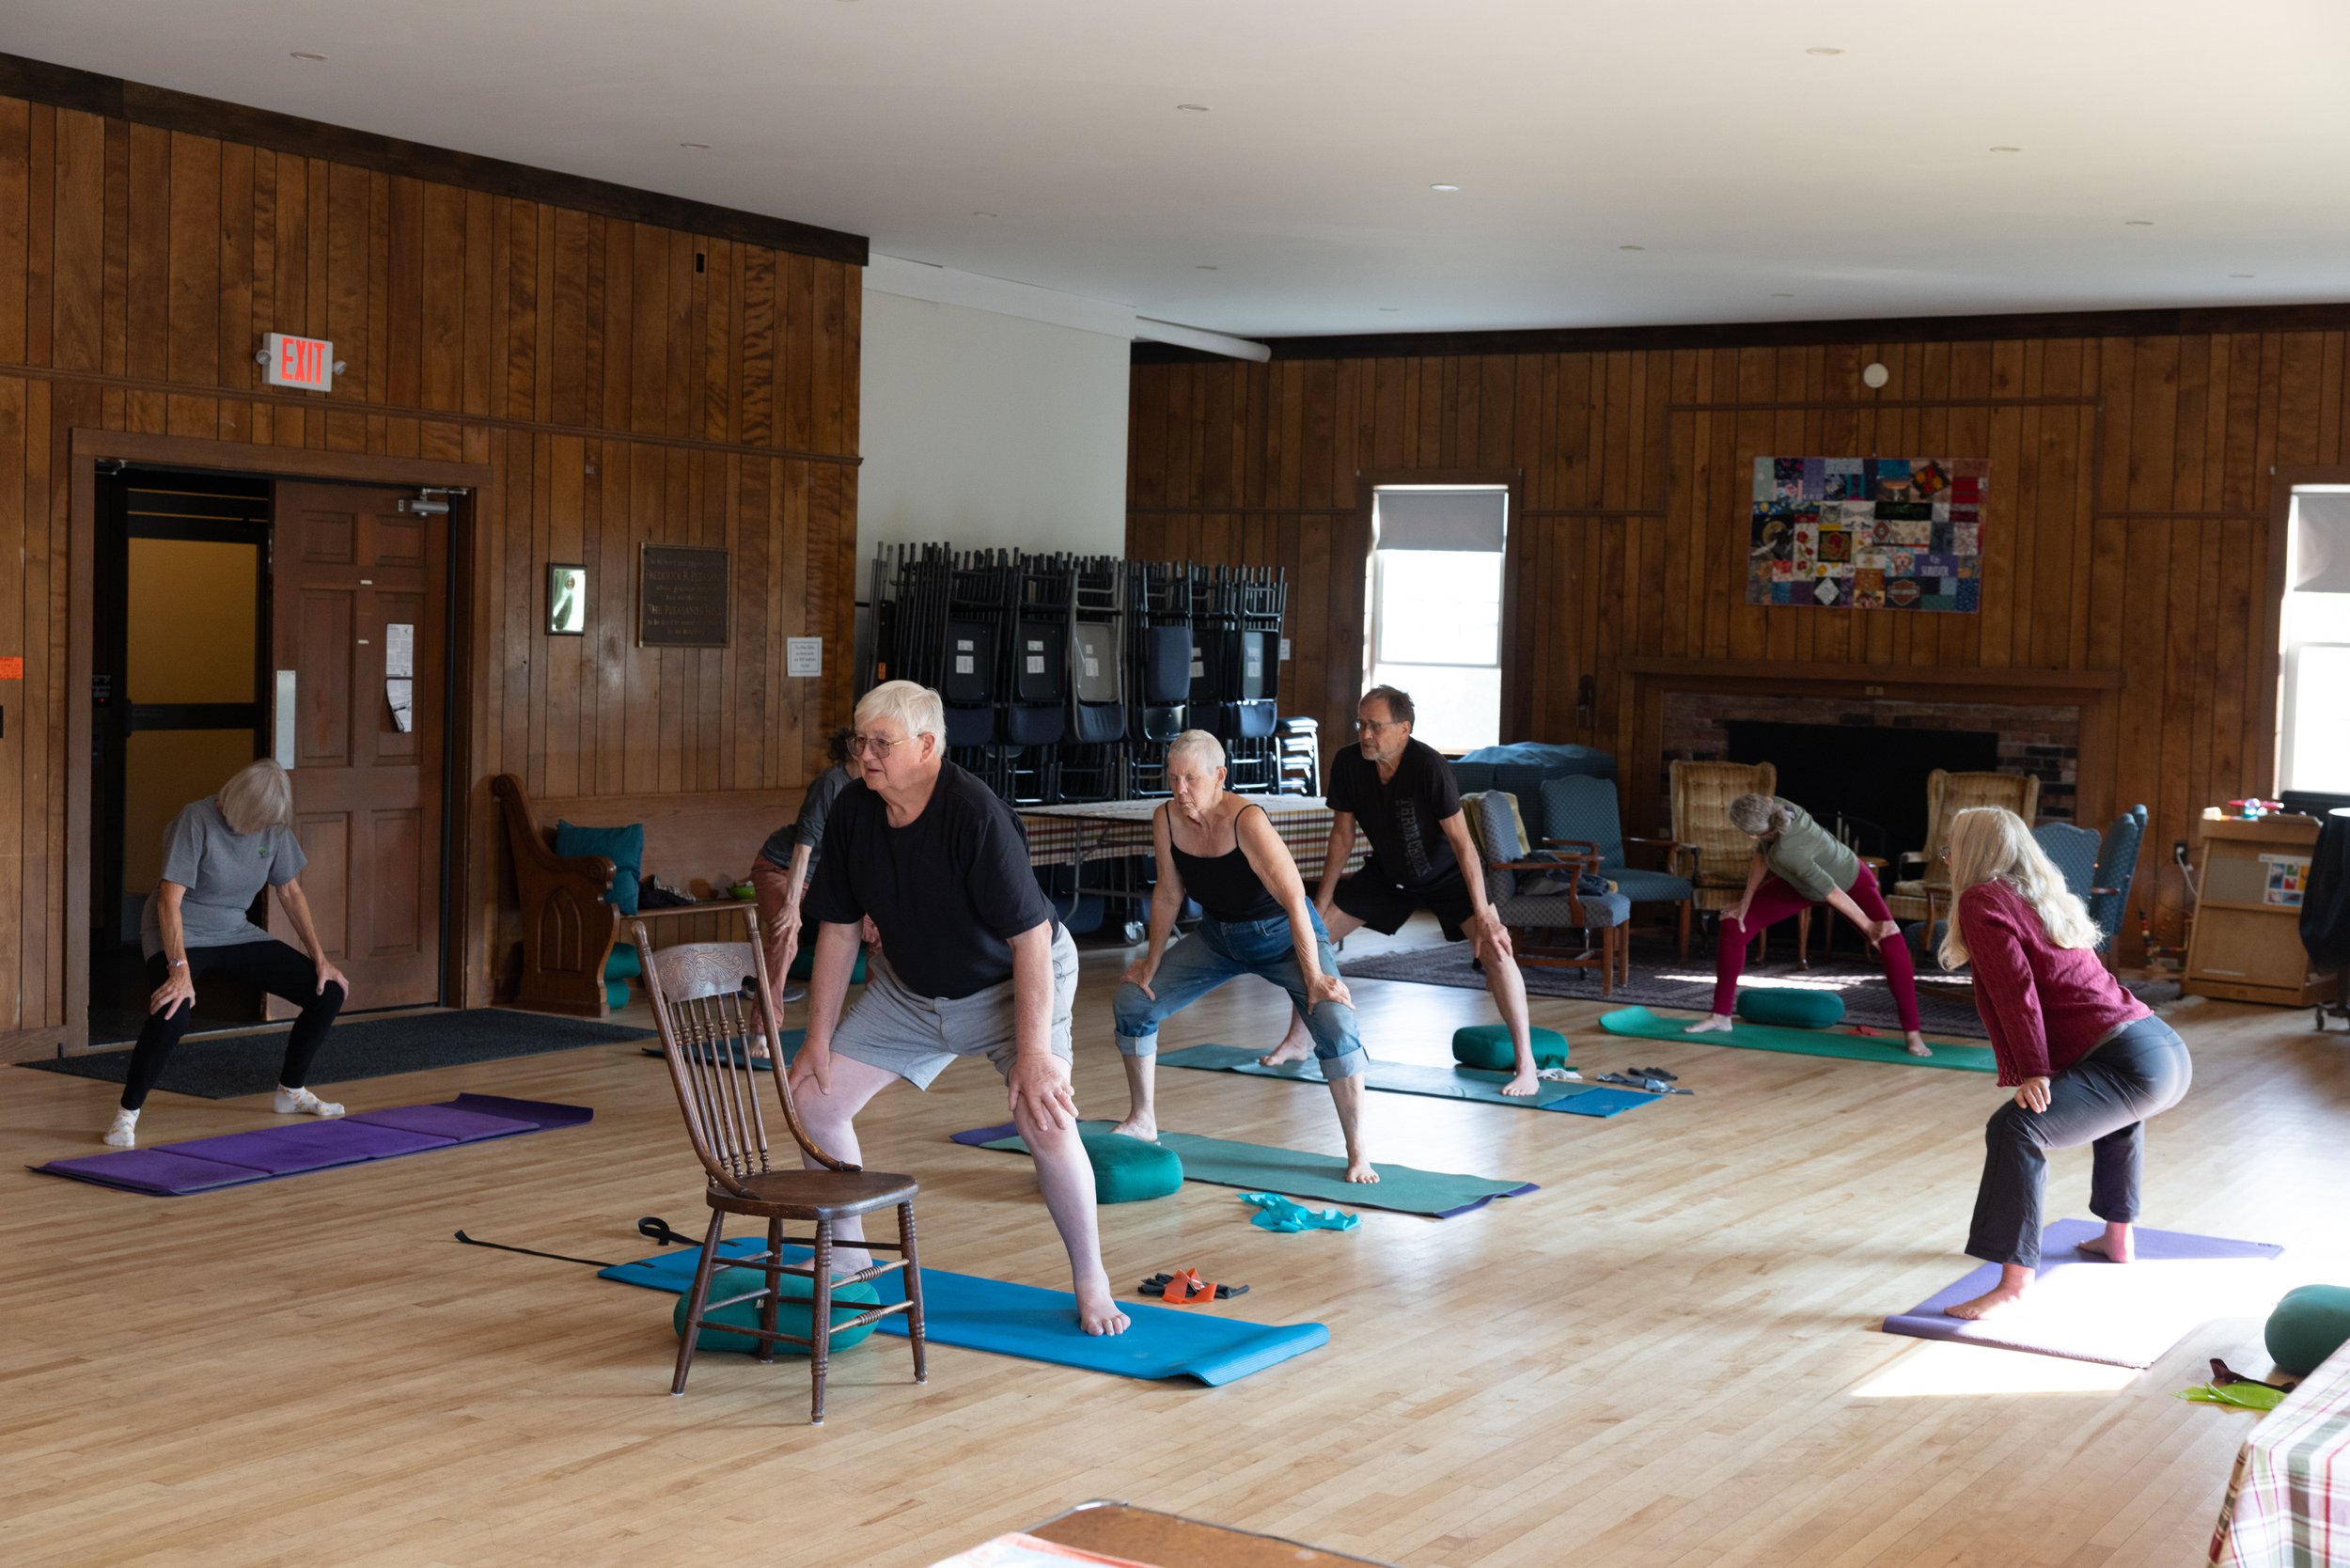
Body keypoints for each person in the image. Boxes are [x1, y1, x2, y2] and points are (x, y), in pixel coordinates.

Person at [788, 681, 1129, 1336]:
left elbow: (1031, 940)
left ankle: (1092, 1281)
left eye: (882, 743)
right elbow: (838, 928)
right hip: (911, 993)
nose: (866, 755)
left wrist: (1035, 1057)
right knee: (814, 1097)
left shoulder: (975, 814)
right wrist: (816, 1039)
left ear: (926, 746)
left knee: (1044, 1115)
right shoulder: (854, 809)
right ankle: (851, 1254)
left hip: (1011, 983)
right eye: (860, 741)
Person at [1936, 806, 2191, 1319]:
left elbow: (2017, 992)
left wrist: (2034, 1070)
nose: (1947, 858)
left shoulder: (1983, 899)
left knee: (2015, 1129)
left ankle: (2013, 1284)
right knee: (2118, 1117)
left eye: (1950, 848)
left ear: (1971, 852)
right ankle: (2117, 1238)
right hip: (2161, 1050)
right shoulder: (2040, 895)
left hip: (2128, 1059)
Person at [1111, 730, 1375, 1181]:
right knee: (1134, 1000)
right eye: (1172, 778)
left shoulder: (1247, 821)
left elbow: (1295, 902)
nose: (1179, 790)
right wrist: (1151, 961)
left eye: (1191, 779)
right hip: (1218, 938)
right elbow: (1169, 892)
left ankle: (1357, 1150)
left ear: (1219, 777)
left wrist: (1314, 977)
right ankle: (1142, 1118)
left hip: (1282, 937)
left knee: (1335, 1022)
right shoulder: (1166, 817)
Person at [1263, 685, 1543, 1095]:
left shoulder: (1429, 766)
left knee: (1498, 953)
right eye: (1361, 724)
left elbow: (1464, 844)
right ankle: (1298, 1040)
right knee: (1312, 939)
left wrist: (1484, 913)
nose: (1366, 734)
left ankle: (1527, 1066)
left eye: (1375, 726)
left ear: (1404, 728)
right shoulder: (1349, 763)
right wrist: (1320, 903)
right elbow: (1342, 836)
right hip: (1388, 874)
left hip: (1446, 875)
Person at [103, 760, 351, 1148]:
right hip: (179, 930)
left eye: (267, 822)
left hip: (233, 929)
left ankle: (291, 1091)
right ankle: (126, 1115)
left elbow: (289, 891)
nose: (262, 829)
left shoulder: (274, 827)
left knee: (327, 991)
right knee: (173, 1010)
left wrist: (321, 958)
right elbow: (169, 900)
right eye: (257, 820)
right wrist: (179, 969)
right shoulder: (196, 819)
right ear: (237, 804)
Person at [1683, 792, 1932, 1057]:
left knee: (1891, 943)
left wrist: (1870, 927)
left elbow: (1831, 890)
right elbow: (1762, 856)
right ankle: (1721, 1016)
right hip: (1800, 884)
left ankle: (1913, 1033)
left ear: (1751, 835)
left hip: (1849, 879)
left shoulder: (1789, 852)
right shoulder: (1776, 808)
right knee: (1734, 924)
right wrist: (1746, 901)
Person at [749, 726, 857, 1001]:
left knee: (878, 929)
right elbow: (802, 848)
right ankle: (764, 1025)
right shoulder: (830, 783)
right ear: (852, 748)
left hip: (823, 878)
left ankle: (876, 1022)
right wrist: (791, 905)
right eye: (864, 742)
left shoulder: (876, 787)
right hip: (780, 867)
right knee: (786, 930)